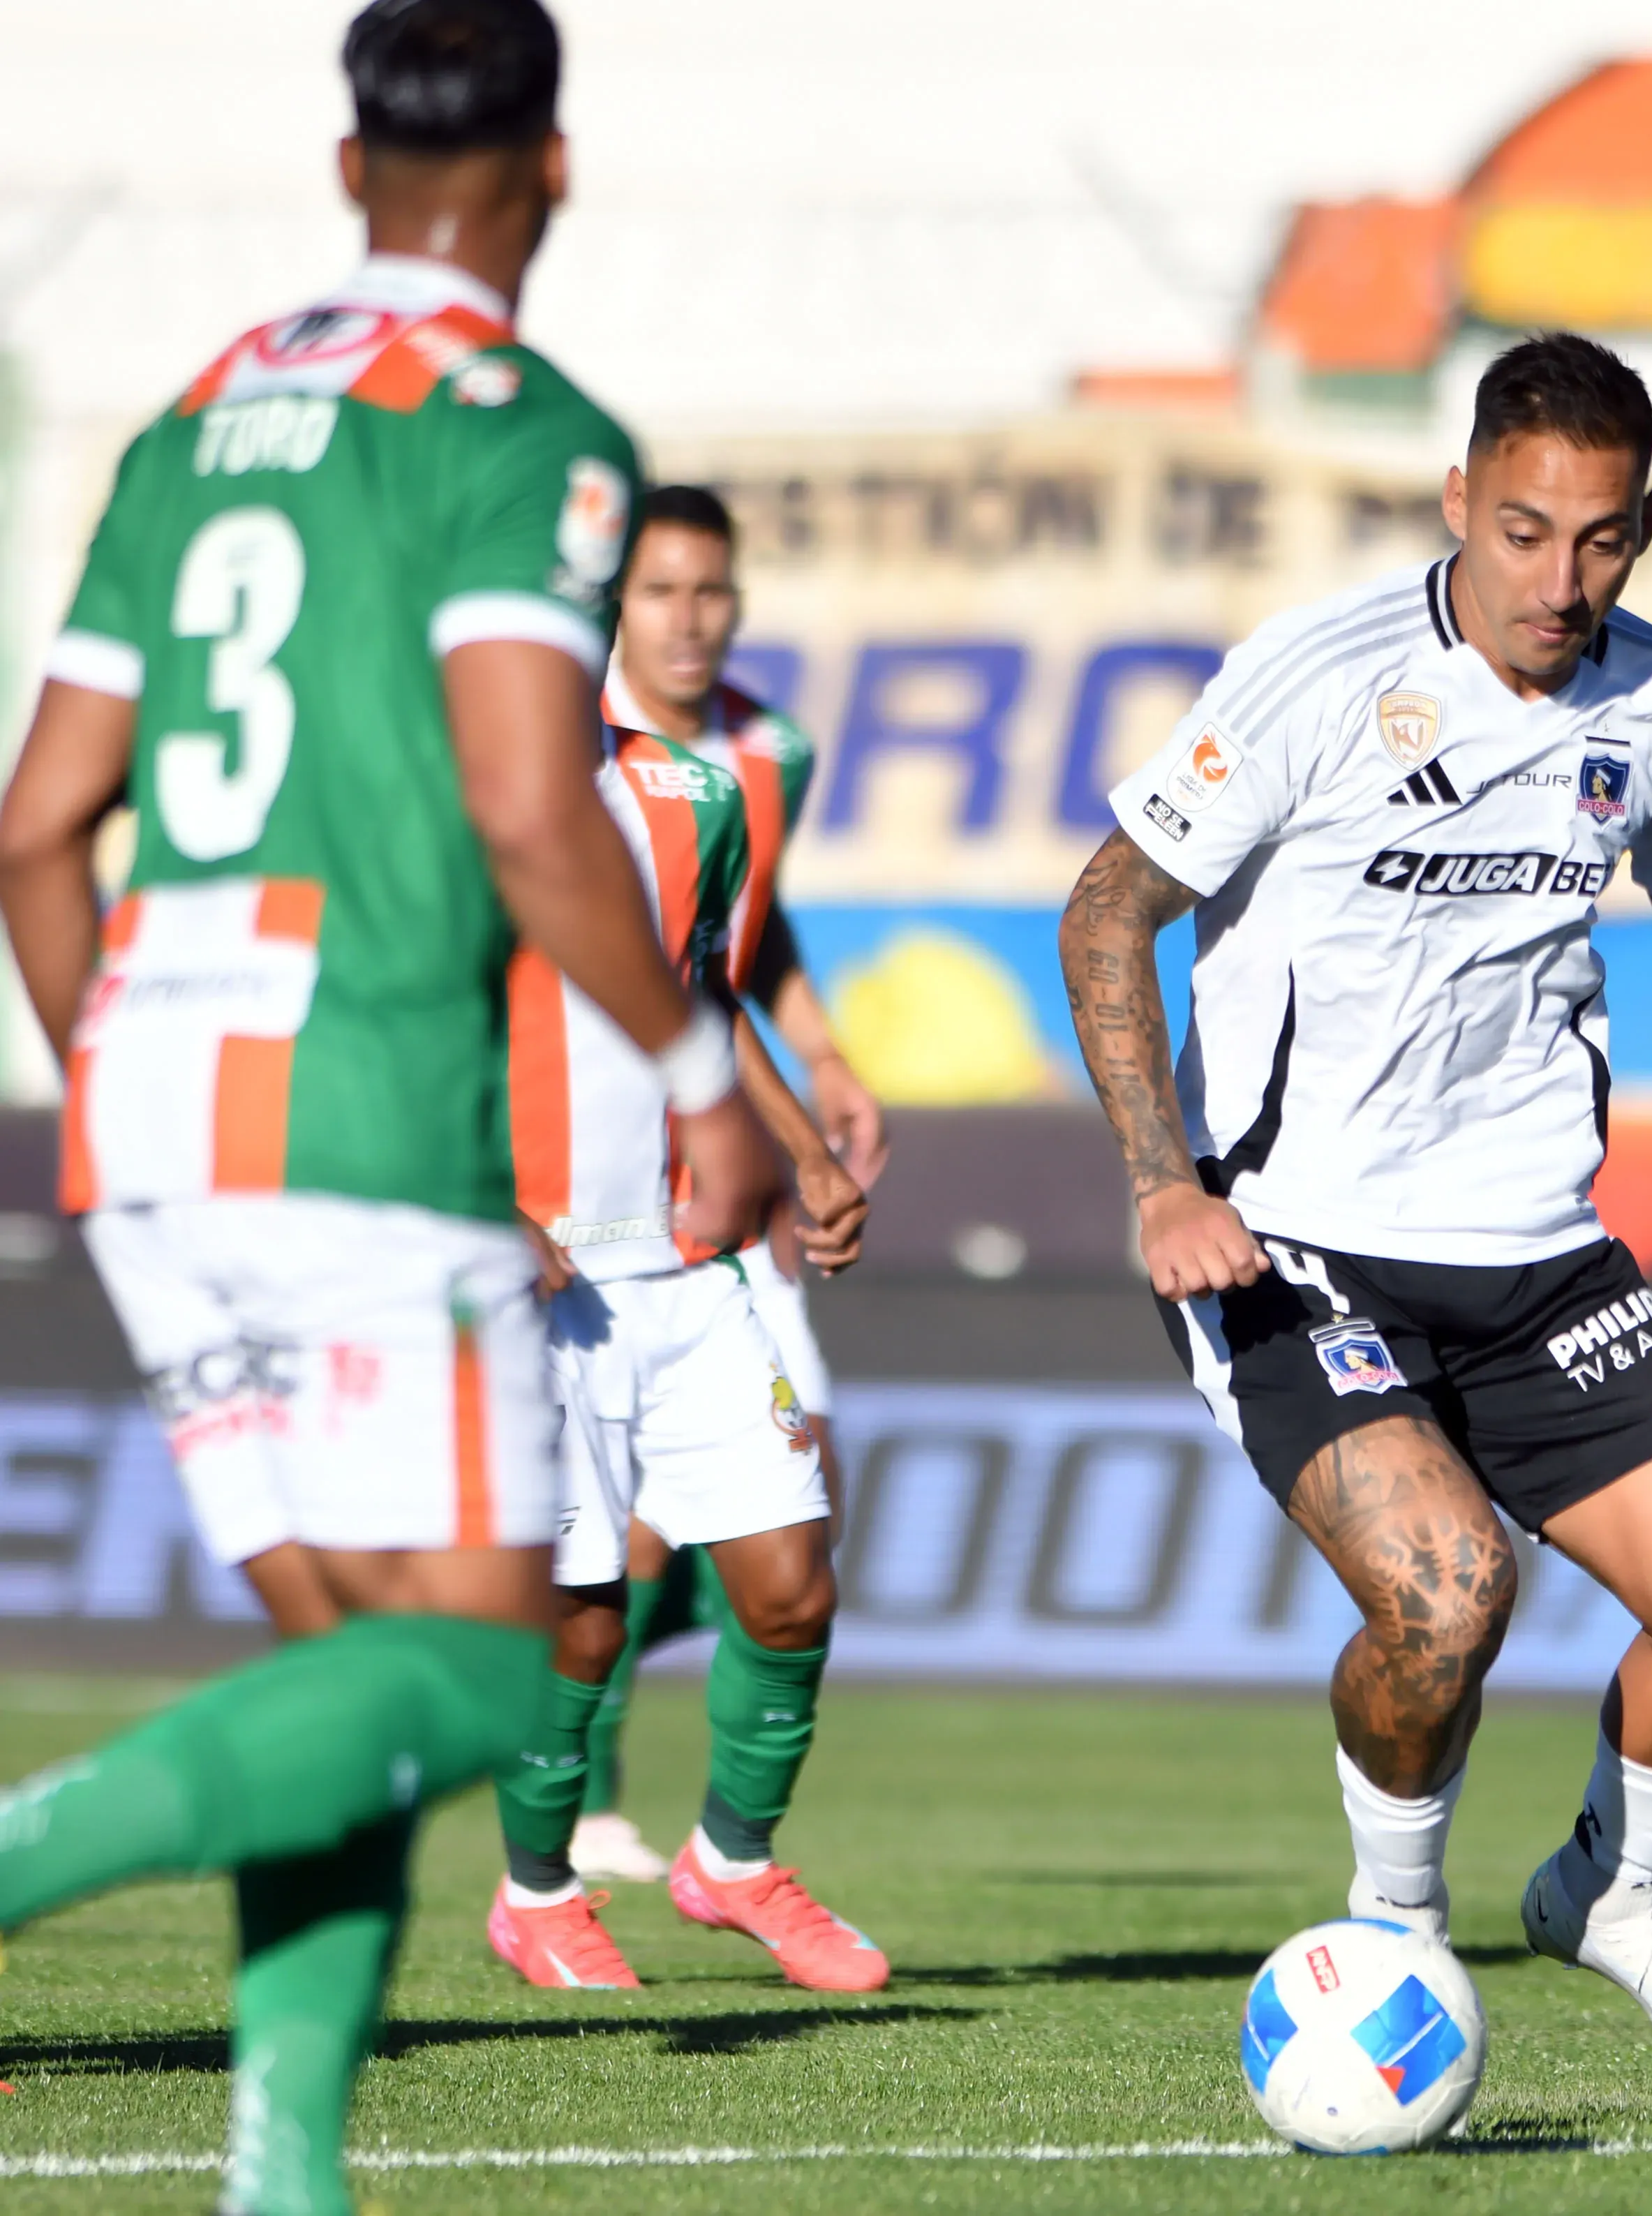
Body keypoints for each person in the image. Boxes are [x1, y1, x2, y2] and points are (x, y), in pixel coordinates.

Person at [0, 3, 765, 2207]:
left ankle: (284, 2165)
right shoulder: (527, 429)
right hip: (361, 1102)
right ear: (555, 165)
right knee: (482, 1667)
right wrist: (699, 1069)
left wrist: (126, 1079)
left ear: (351, 168)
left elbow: (36, 826)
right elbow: (531, 803)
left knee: (349, 1672)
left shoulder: (192, 421)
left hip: (150, 1084)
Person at [1057, 332, 1652, 2088]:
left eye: (1599, 540)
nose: (1558, 581)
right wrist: (1161, 1181)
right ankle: (1394, 1935)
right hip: (1292, 1243)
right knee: (1446, 1592)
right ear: (1454, 504)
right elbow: (1108, 908)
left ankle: (1613, 1898)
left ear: (1645, 527)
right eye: (1521, 532)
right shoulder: (1319, 676)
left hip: (1535, 1250)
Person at [481, 711, 884, 1993]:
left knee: (792, 1585)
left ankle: (733, 1862)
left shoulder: (693, 790)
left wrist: (802, 1152)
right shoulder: (443, 779)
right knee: (586, 1620)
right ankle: (537, 1893)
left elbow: (701, 998)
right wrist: (480, 1194)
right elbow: (397, 1013)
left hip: (689, 1258)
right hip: (540, 1273)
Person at [565, 480, 883, 1887]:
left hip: (735, 1138)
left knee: (796, 1492)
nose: (689, 620)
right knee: (632, 1504)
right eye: (661, 592)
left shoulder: (771, 753)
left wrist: (822, 1063)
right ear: (615, 605)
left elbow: (737, 936)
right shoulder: (565, 750)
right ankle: (584, 1803)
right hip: (612, 1168)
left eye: (711, 592)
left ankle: (677, 1827)